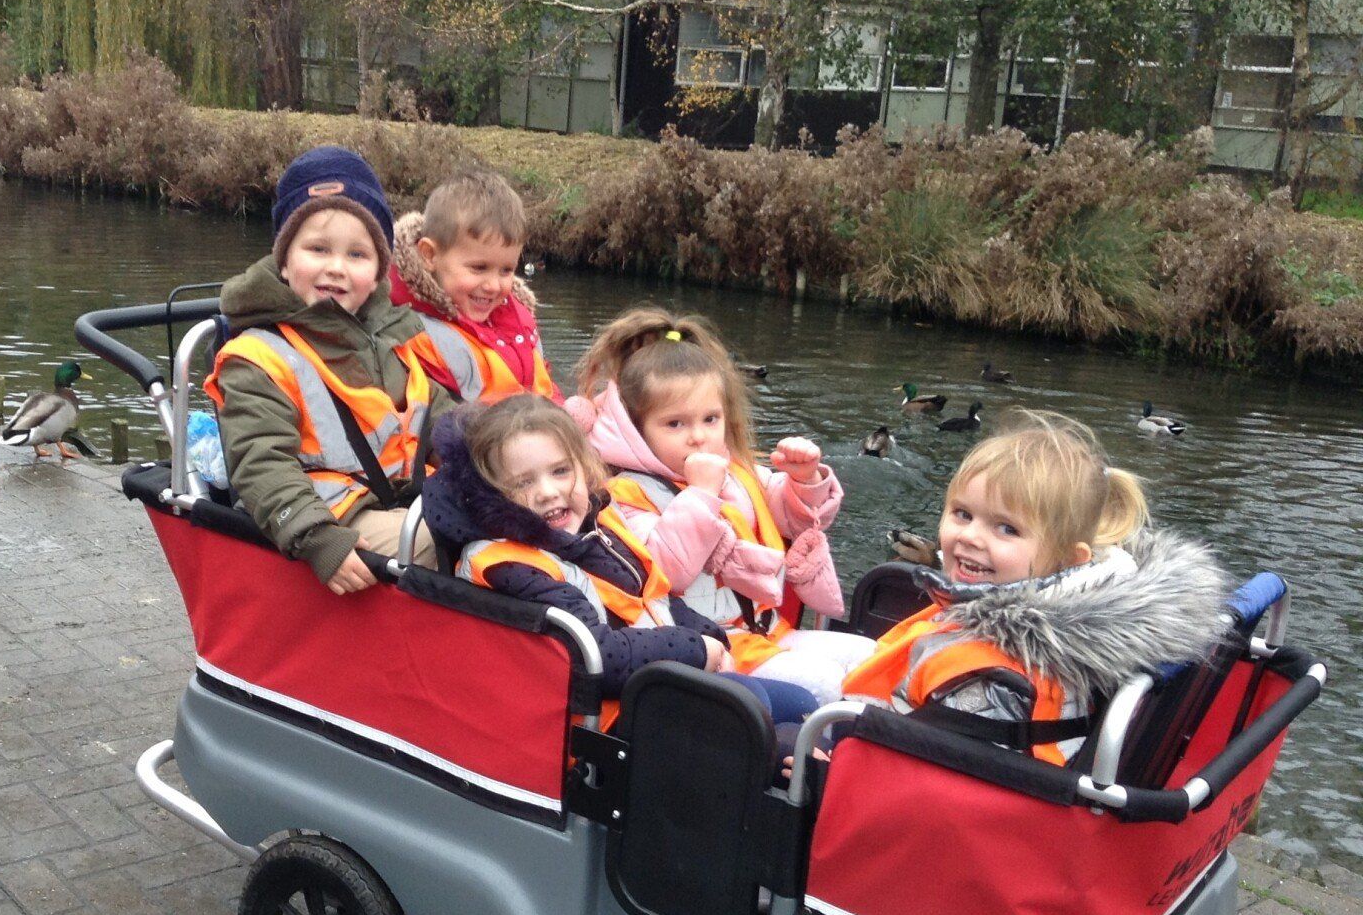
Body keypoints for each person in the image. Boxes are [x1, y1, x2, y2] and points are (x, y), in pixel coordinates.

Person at [843, 411, 1229, 765]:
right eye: (963, 513)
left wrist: (834, 764)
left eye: (1007, 528)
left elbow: (944, 777)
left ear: (1070, 559)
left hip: (901, 784)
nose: (971, 536)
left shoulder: (1000, 677)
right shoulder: (1073, 625)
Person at [421, 395, 818, 730]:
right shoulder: (507, 564)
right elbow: (595, 654)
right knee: (752, 707)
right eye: (522, 482)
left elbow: (655, 596)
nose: (547, 492)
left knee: (800, 703)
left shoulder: (599, 521)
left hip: (651, 678)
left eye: (560, 471)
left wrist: (712, 636)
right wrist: (697, 649)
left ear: (582, 467)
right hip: (598, 718)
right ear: (492, 493)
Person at [574, 308, 872, 704]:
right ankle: (817, 760)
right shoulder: (624, 495)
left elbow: (799, 519)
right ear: (636, 429)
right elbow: (668, 571)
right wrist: (700, 495)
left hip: (769, 630)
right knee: (829, 683)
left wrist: (806, 481)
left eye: (710, 419)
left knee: (875, 661)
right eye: (675, 424)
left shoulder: (740, 472)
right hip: (717, 648)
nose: (698, 437)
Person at [207, 146, 453, 594]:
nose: (336, 268)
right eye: (317, 249)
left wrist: (507, 459)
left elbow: (445, 422)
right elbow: (260, 464)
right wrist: (316, 538)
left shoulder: (395, 334)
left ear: (380, 270)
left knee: (515, 505)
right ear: (284, 261)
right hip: (327, 521)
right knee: (453, 541)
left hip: (401, 499)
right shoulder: (259, 357)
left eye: (358, 255)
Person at [390, 169, 557, 402]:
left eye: (506, 270)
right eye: (479, 268)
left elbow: (545, 385)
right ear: (429, 256)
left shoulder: (519, 316)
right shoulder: (414, 337)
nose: (493, 286)